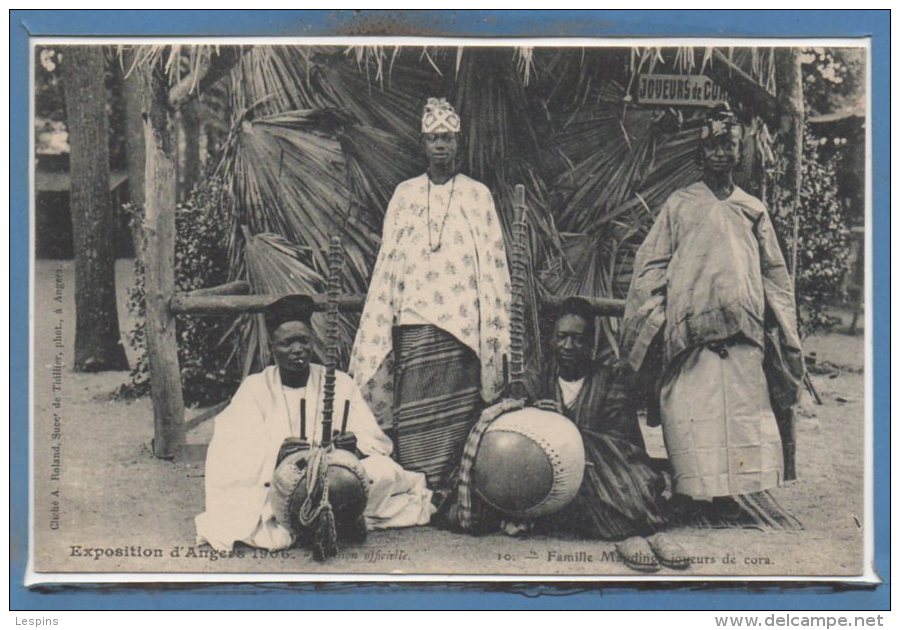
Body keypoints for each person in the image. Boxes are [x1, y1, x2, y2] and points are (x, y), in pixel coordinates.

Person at [620, 106, 804, 516]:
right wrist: (658, 315)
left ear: (740, 152)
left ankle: (727, 498)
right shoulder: (680, 205)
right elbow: (651, 264)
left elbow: (774, 271)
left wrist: (778, 321)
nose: (720, 154)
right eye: (712, 146)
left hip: (743, 336)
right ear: (700, 154)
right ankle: (688, 494)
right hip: (689, 337)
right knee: (690, 414)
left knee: (738, 417)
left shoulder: (752, 208)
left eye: (729, 145)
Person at [349, 98, 511, 492]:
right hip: (413, 318)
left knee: (457, 410)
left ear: (458, 143)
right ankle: (418, 484)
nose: (441, 145)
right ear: (423, 143)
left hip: (462, 325)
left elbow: (493, 261)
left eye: (448, 138)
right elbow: (389, 259)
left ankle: (450, 487)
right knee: (414, 407)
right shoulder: (404, 194)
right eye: (434, 138)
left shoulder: (477, 194)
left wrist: (491, 322)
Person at [196, 296, 434, 552]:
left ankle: (331, 519)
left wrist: (355, 448)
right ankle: (339, 521)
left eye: (304, 340)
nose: (298, 349)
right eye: (288, 343)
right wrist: (276, 455)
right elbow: (230, 449)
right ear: (273, 348)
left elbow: (376, 442)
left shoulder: (339, 382)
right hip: (282, 481)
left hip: (340, 476)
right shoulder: (255, 388)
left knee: (383, 471)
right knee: (248, 499)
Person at [535, 297, 688, 572]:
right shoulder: (540, 380)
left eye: (578, 339)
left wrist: (567, 429)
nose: (569, 346)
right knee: (578, 482)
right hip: (565, 475)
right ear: (551, 340)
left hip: (612, 464)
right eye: (562, 337)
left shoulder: (609, 379)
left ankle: (644, 533)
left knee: (628, 479)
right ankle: (631, 535)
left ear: (591, 344)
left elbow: (621, 441)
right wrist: (540, 418)